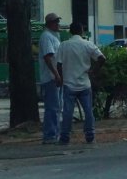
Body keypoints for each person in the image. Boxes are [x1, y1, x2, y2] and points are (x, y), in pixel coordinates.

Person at [56, 22, 106, 144]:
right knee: (88, 110)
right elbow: (102, 58)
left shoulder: (64, 45)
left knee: (67, 112)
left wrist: (60, 78)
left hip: (69, 83)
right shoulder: (87, 44)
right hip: (84, 83)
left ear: (70, 32)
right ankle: (90, 135)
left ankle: (65, 136)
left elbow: (59, 64)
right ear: (82, 31)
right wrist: (93, 71)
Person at [39, 12, 62, 144]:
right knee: (52, 107)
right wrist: (56, 74)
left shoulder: (54, 36)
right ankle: (50, 135)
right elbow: (48, 57)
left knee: (57, 107)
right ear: (50, 24)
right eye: (55, 22)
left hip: (54, 77)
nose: (58, 24)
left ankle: (54, 133)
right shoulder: (46, 37)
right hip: (50, 78)